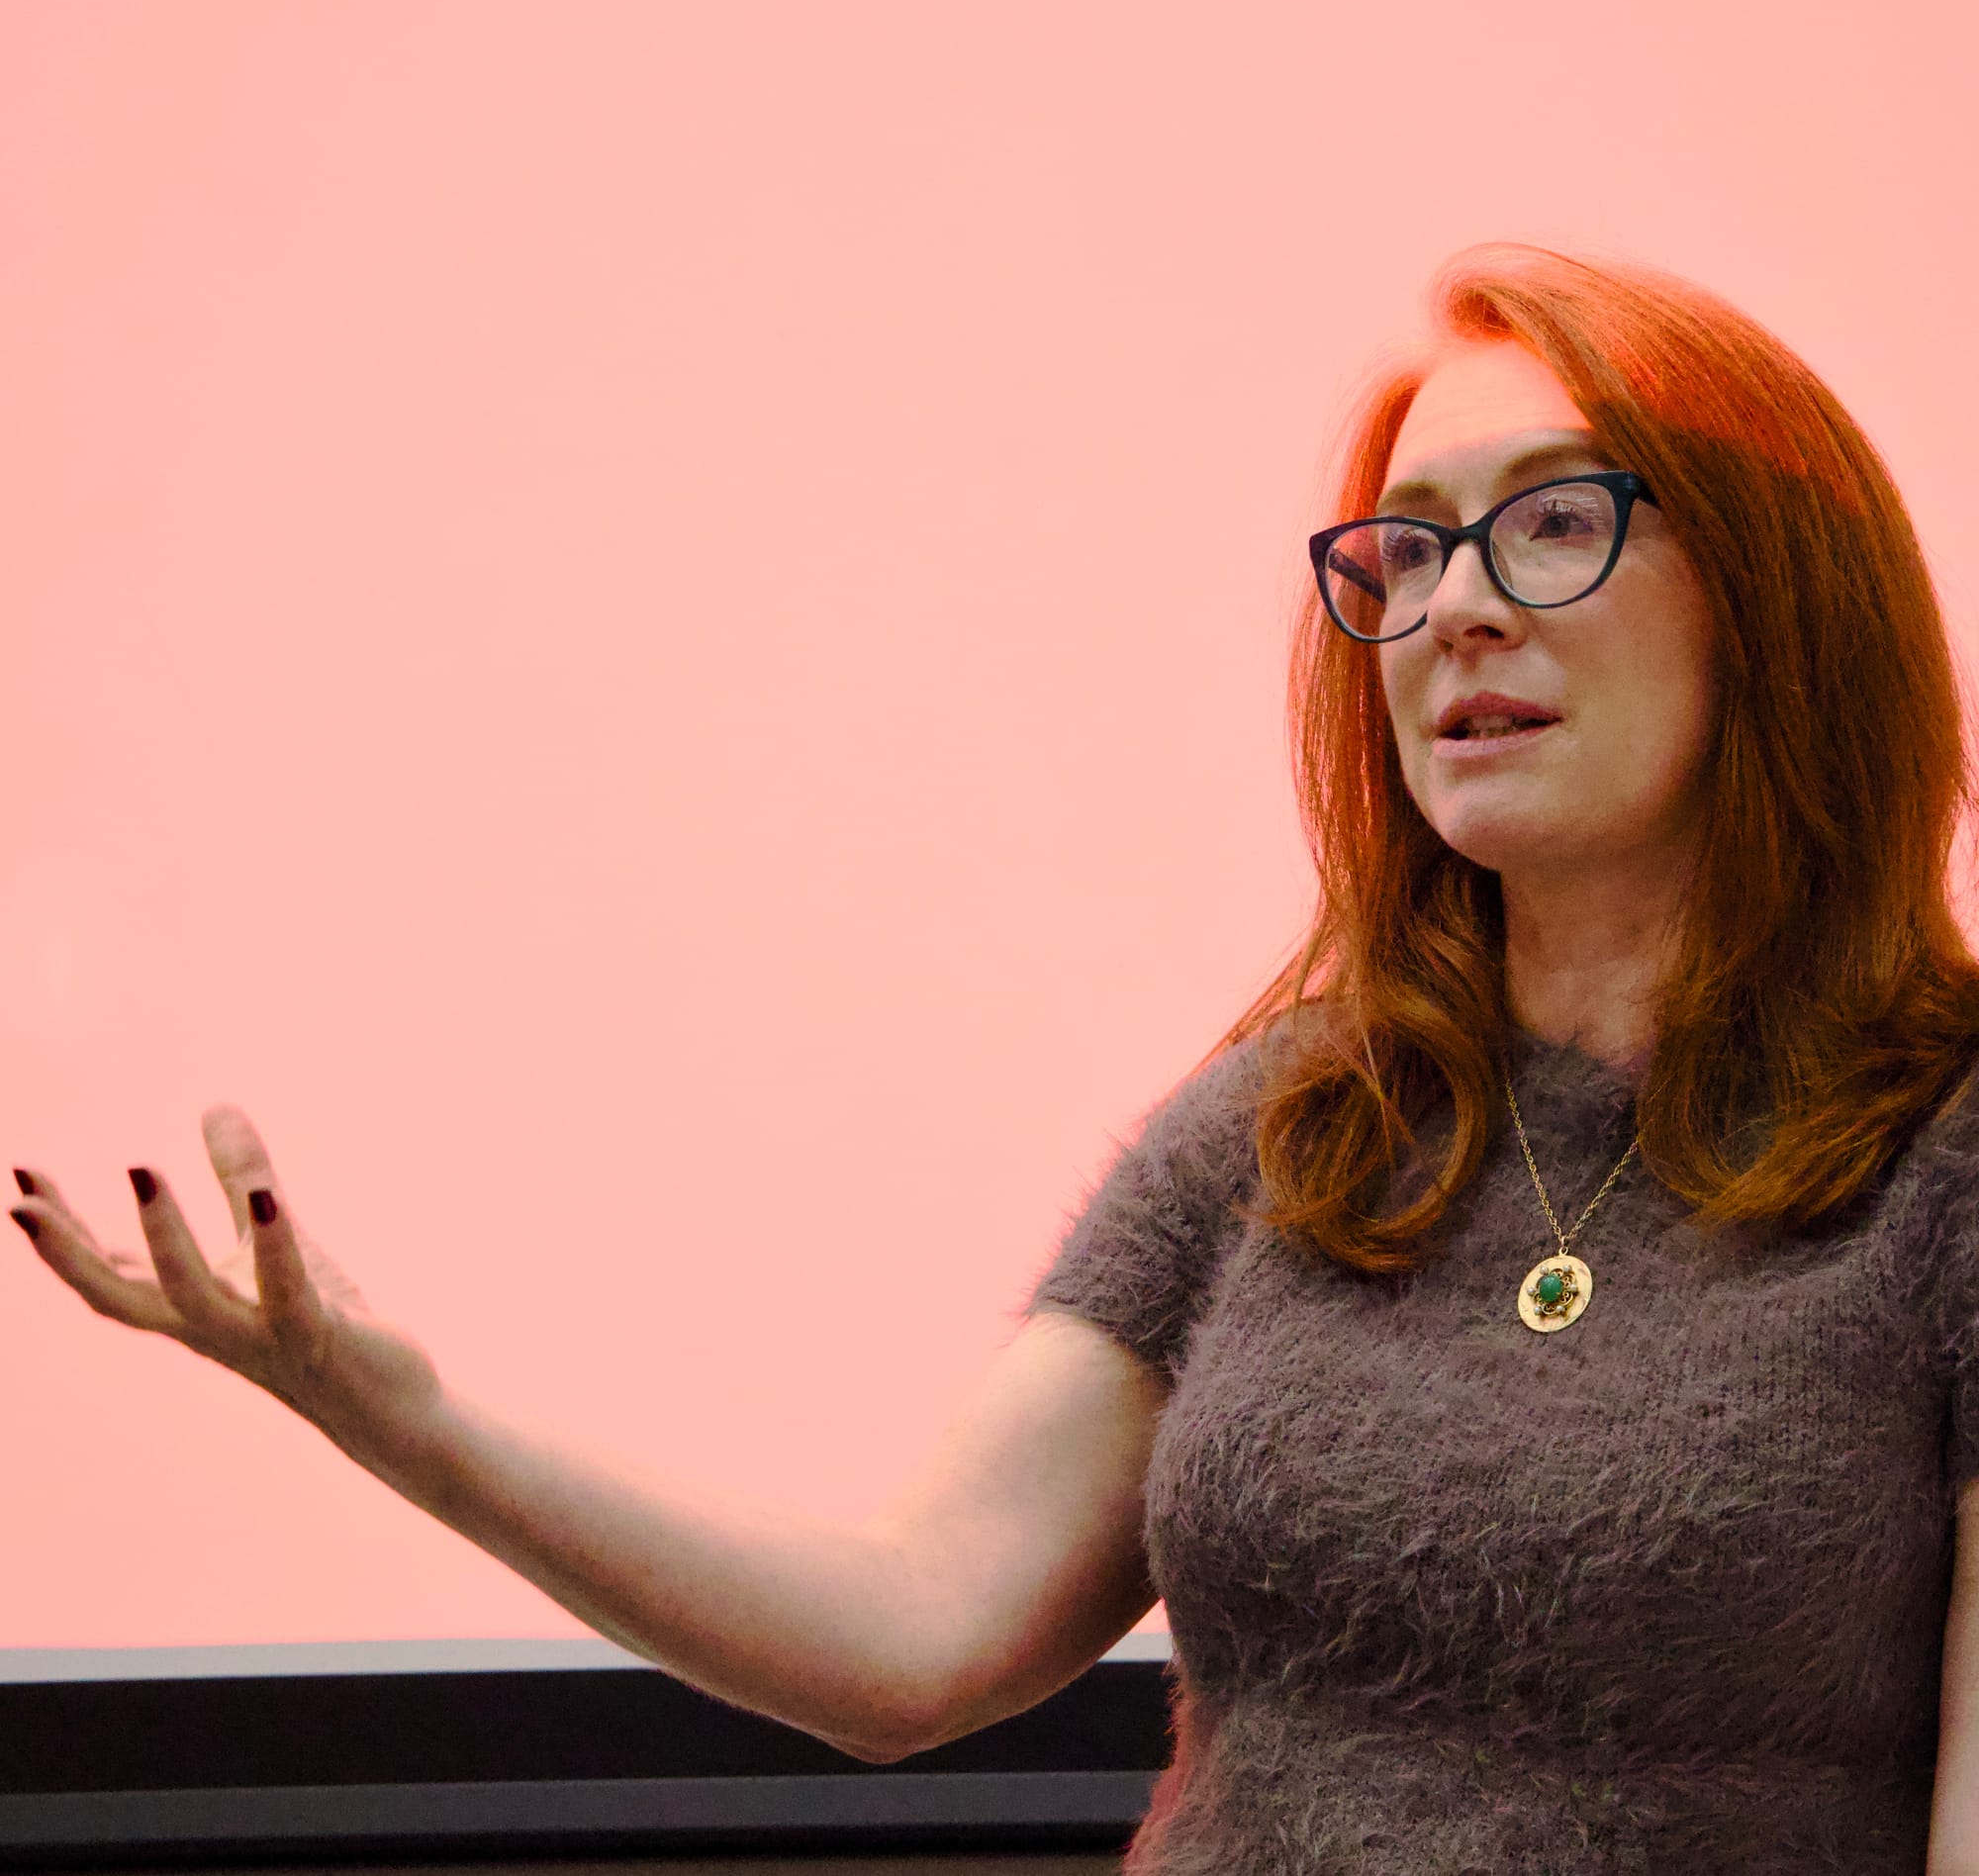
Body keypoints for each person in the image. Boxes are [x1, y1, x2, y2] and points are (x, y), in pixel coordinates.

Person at [15, 242, 1979, 1875]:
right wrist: (400, 1415)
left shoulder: (1945, 1158)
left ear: (1777, 600)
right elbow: (915, 1628)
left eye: (1552, 520)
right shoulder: (1297, 1124)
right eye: (1406, 548)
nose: (1452, 606)